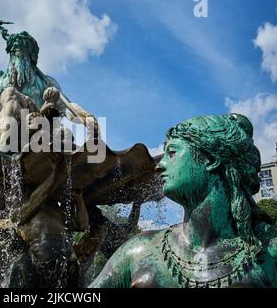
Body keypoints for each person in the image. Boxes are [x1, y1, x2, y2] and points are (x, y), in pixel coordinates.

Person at [89, 114, 277, 288]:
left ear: (210, 159)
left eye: (171, 153)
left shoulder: (270, 250)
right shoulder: (139, 251)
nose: (159, 165)